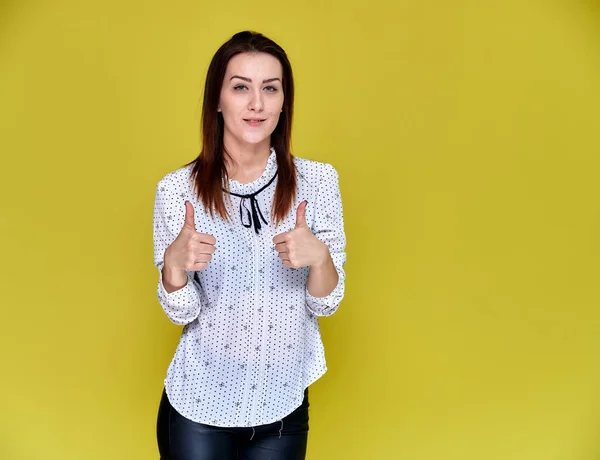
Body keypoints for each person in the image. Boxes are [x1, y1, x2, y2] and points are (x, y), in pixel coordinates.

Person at [153, 30, 347, 460]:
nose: (256, 104)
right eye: (240, 87)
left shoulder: (318, 182)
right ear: (217, 100)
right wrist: (174, 266)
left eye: (270, 89)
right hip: (198, 407)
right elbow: (182, 311)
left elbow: (326, 304)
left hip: (281, 410)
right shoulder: (176, 191)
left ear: (284, 101)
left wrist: (320, 258)